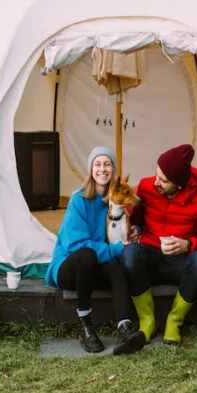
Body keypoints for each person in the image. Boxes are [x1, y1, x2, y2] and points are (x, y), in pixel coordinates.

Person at [114, 144, 197, 354]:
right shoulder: (146, 187)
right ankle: (147, 321)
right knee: (129, 253)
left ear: (179, 185)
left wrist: (188, 244)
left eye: (163, 180)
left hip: (180, 264)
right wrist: (134, 228)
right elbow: (136, 220)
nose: (156, 182)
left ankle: (174, 320)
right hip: (151, 258)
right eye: (157, 175)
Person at [45, 146, 138, 353]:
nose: (102, 169)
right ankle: (86, 325)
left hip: (96, 264)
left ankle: (125, 327)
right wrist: (114, 249)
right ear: (91, 169)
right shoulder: (79, 198)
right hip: (69, 266)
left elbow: (128, 222)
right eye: (97, 164)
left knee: (115, 269)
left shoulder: (114, 200)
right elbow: (75, 244)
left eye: (107, 164)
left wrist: (134, 231)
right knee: (87, 255)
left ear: (113, 169)